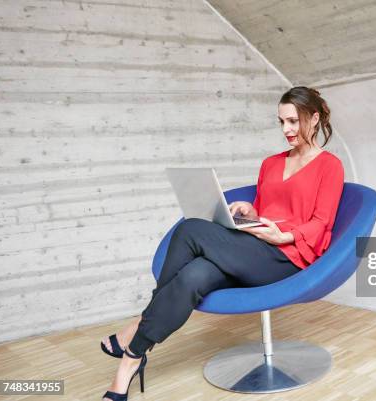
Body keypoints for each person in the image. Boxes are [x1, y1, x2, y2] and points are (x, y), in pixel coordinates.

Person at [100, 86, 345, 401]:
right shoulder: (271, 163)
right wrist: (250, 211)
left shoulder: (329, 166)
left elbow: (321, 222)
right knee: (193, 276)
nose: (286, 130)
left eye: (293, 121)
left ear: (314, 118)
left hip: (286, 257)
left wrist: (285, 236)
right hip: (253, 245)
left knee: (191, 229)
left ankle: (138, 325)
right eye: (281, 122)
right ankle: (134, 355)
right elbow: (268, 209)